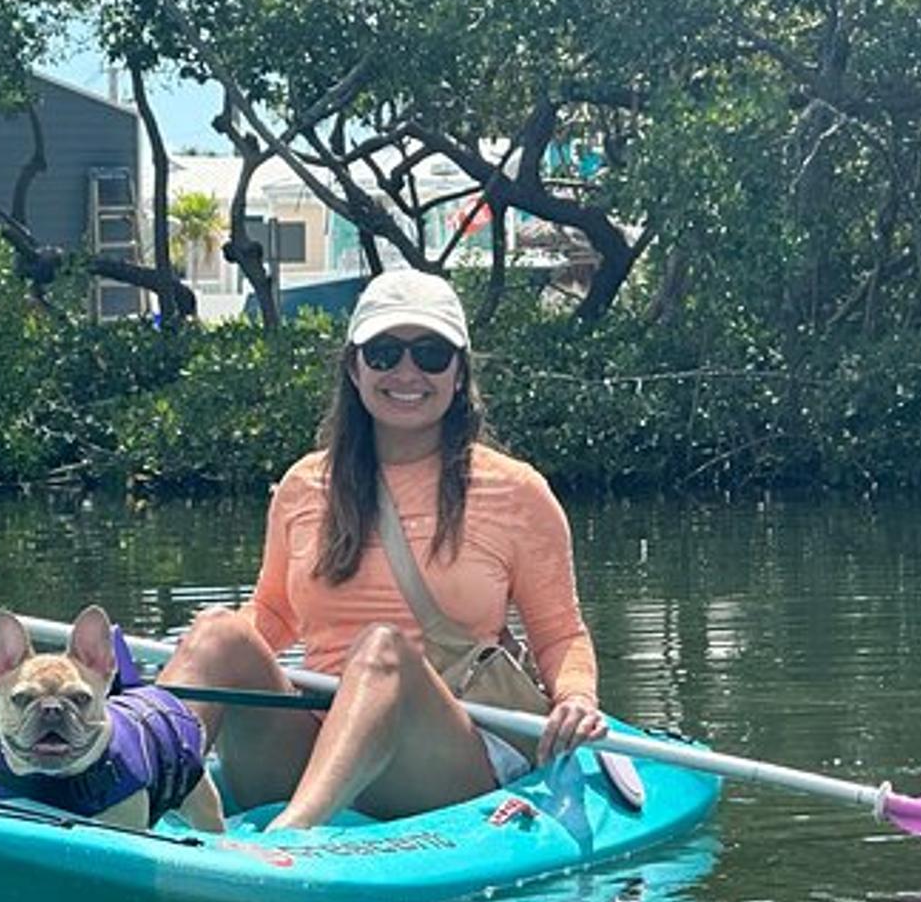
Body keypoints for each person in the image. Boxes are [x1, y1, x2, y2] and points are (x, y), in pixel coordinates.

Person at [157, 268, 607, 829]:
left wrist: (576, 699)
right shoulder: (303, 486)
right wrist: (199, 663)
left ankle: (292, 839)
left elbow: (561, 635)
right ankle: (133, 795)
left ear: (459, 371)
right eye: (385, 353)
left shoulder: (516, 493)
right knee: (217, 629)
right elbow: (271, 615)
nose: (407, 373)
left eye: (431, 354)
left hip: (444, 760)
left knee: (382, 650)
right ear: (355, 366)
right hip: (318, 738)